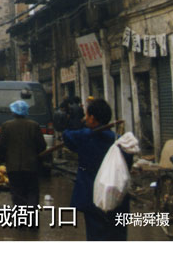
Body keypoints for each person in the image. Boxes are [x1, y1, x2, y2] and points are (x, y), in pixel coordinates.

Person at [62, 97, 131, 241]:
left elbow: (66, 136)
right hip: (117, 196)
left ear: (93, 118)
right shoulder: (118, 142)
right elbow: (126, 167)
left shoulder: (84, 137)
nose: (85, 119)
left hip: (93, 197)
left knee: (96, 236)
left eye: (86, 115)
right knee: (117, 236)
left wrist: (78, 123)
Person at [0, 99, 47, 209]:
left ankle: (21, 220)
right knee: (32, 192)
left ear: (13, 112)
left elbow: (1, 145)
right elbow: (42, 145)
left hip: (13, 167)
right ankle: (32, 220)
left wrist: (3, 157)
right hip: (31, 166)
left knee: (17, 193)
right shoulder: (34, 125)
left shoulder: (6, 126)